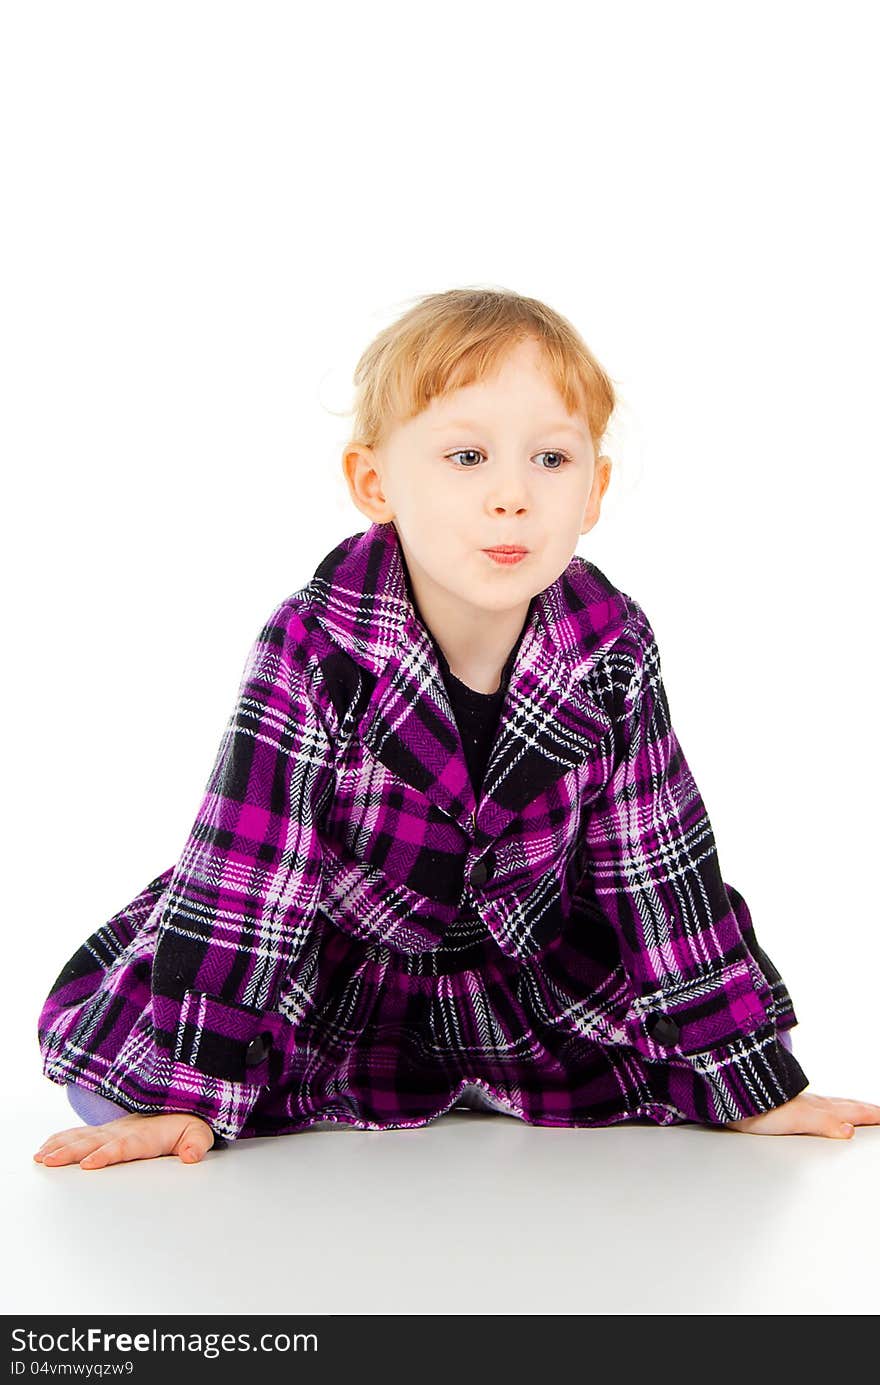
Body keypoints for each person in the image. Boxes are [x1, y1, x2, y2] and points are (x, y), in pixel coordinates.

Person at [34, 287, 880, 1171]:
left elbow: (659, 865)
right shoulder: (317, 641)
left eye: (551, 459)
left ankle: (534, 1068)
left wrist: (752, 1079)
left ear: (594, 489)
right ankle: (185, 1083)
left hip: (524, 972)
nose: (512, 495)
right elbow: (251, 871)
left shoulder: (609, 643)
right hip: (333, 962)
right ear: (375, 483)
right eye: (467, 456)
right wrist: (189, 1091)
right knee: (131, 1079)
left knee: (667, 1077)